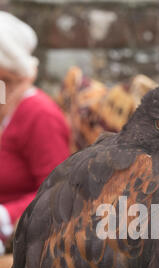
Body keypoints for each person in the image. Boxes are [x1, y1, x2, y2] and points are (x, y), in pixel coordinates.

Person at [0, 12, 71, 253]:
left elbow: (59, 193)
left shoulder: (39, 114)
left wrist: (5, 215)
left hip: (22, 243)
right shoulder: (4, 105)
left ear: (6, 74)